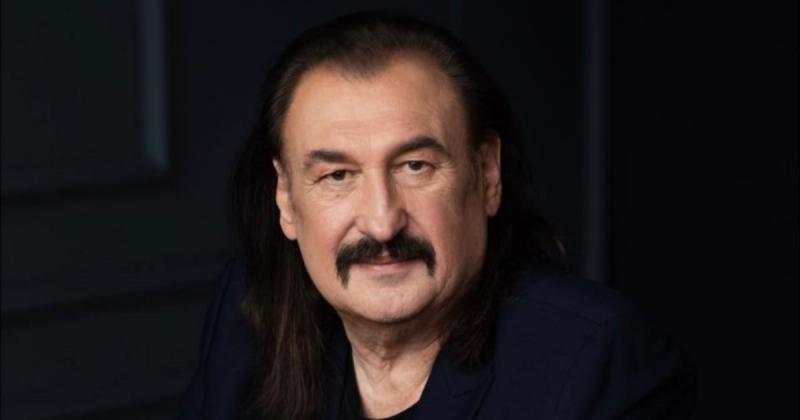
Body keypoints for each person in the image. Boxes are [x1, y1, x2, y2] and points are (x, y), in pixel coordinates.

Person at [178, 12, 696, 420]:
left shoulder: (596, 360)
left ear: (487, 175)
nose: (382, 223)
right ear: (286, 199)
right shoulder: (248, 316)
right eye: (337, 175)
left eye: (415, 166)